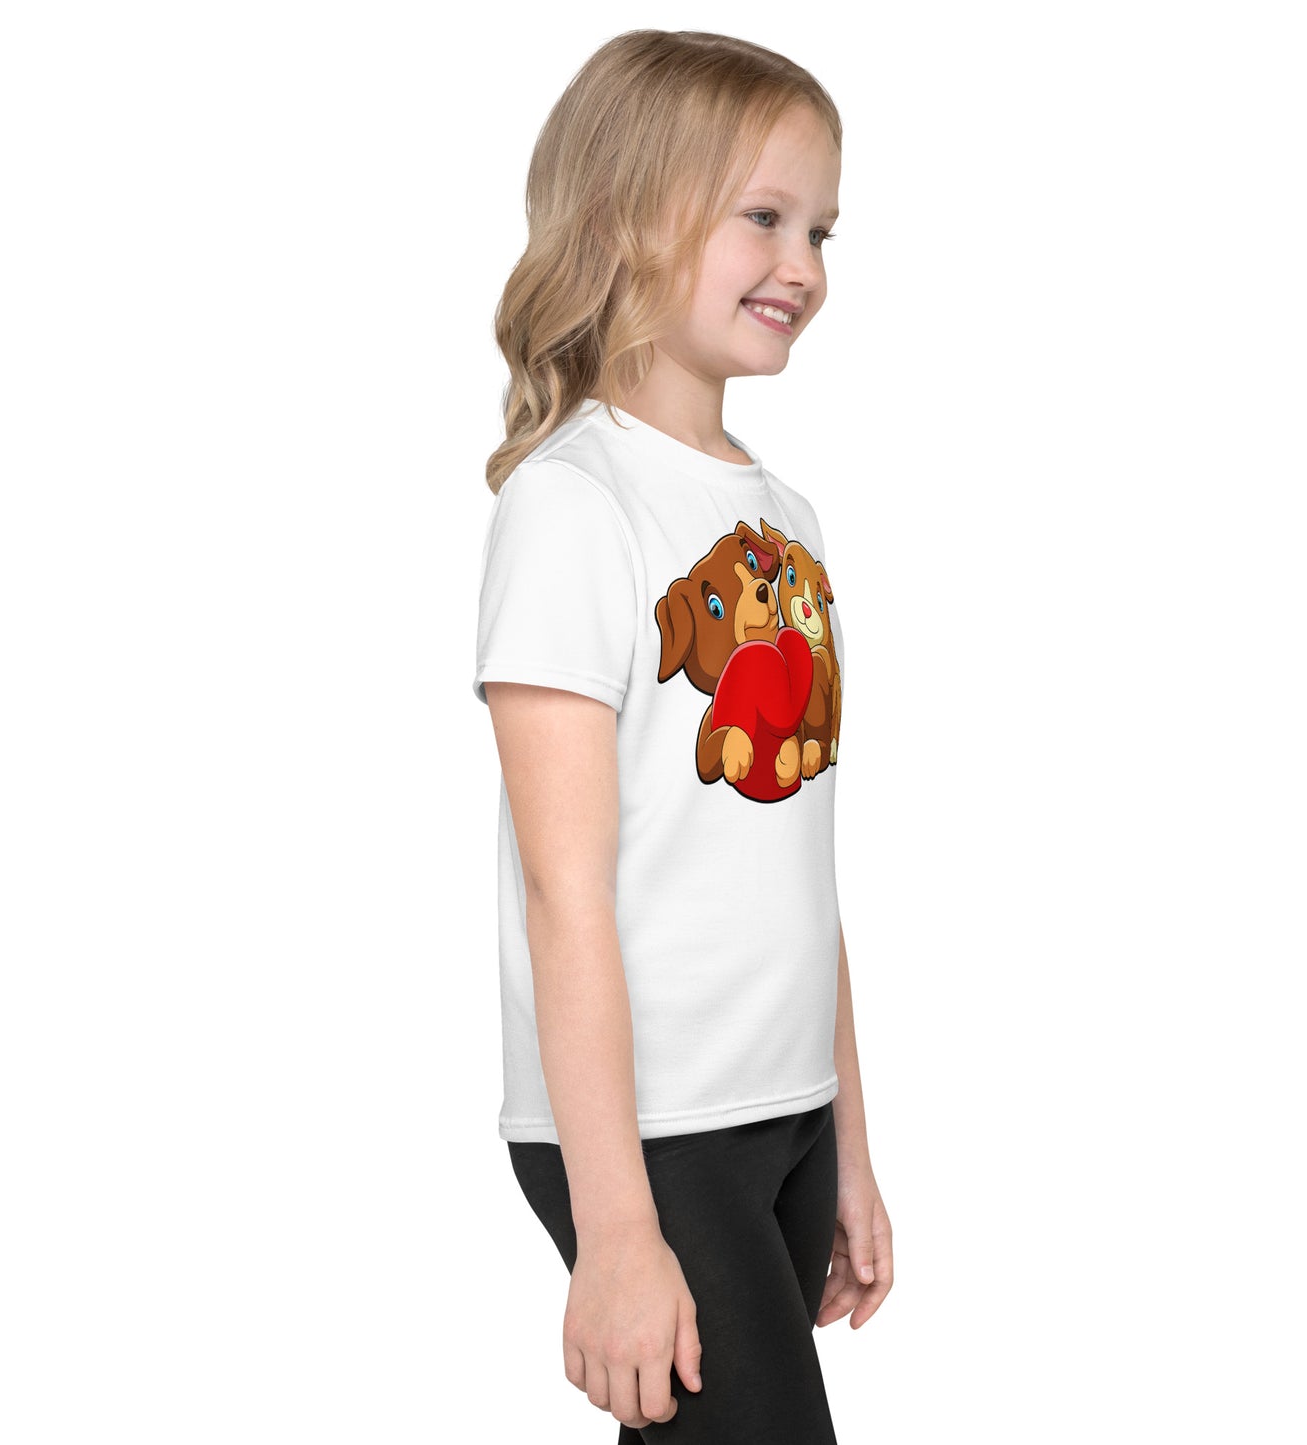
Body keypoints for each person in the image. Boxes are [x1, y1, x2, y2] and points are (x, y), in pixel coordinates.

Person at [471, 29, 891, 1442]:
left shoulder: (786, 518)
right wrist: (614, 1228)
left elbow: (795, 856)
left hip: (784, 1109)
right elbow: (563, 893)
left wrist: (847, 1146)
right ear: (626, 216)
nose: (803, 266)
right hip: (651, 1136)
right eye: (763, 216)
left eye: (820, 229)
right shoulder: (573, 505)